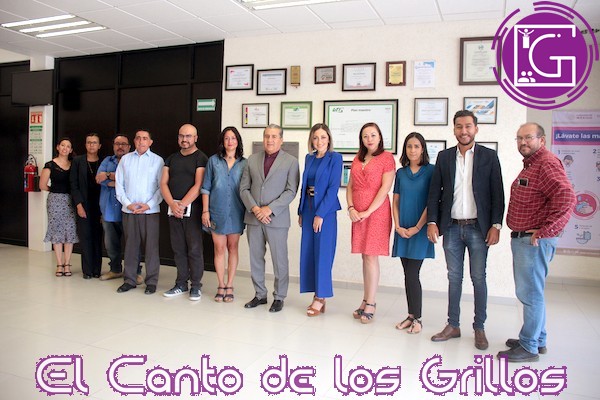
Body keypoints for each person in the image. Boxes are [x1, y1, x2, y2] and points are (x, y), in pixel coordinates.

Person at [427, 110, 505, 350]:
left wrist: (496, 225)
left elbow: (498, 194)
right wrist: (432, 221)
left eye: (468, 126)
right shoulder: (444, 157)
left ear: (476, 129)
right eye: (459, 126)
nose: (464, 131)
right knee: (454, 278)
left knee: (478, 278)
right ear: (454, 130)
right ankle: (453, 325)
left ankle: (479, 327)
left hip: (479, 229)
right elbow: (435, 192)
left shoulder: (489, 156)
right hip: (451, 227)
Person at [498, 123, 575, 362]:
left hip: (532, 242)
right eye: (519, 138)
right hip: (526, 241)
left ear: (541, 140)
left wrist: (544, 232)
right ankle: (537, 339)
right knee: (533, 291)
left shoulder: (546, 163)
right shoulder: (533, 164)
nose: (523, 142)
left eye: (528, 137)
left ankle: (529, 346)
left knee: (530, 294)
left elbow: (567, 198)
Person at [240, 124, 300, 313]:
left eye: (274, 136)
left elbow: (291, 191)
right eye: (267, 136)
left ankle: (279, 296)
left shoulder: (291, 161)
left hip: (277, 219)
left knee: (279, 260)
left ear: (281, 140)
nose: (270, 140)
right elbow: (243, 188)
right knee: (255, 258)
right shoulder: (252, 159)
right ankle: (260, 294)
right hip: (253, 217)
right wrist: (255, 208)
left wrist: (269, 209)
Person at [347, 122, 395, 324]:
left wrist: (367, 211)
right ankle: (365, 299)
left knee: (371, 257)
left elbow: (385, 189)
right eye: (365, 136)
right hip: (357, 214)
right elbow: (350, 186)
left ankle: (372, 302)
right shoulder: (357, 159)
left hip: (376, 213)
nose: (369, 139)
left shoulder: (387, 158)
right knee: (364, 256)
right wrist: (351, 208)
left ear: (380, 137)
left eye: (373, 135)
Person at [298, 123, 343, 317]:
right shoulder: (309, 158)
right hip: (308, 209)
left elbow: (333, 189)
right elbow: (304, 186)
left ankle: (320, 297)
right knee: (309, 252)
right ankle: (315, 293)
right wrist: (301, 211)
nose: (319, 141)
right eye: (315, 138)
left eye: (323, 137)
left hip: (325, 212)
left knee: (323, 253)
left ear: (329, 139)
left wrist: (320, 214)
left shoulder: (335, 158)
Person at [391, 132, 434, 334]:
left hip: (420, 230)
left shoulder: (431, 171)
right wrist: (398, 226)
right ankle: (411, 316)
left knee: (412, 273)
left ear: (423, 148)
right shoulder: (401, 173)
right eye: (409, 146)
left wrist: (417, 228)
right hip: (402, 229)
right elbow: (395, 201)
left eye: (416, 146)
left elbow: (431, 202)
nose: (413, 150)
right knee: (407, 274)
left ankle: (417, 319)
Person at [160, 124, 207, 301]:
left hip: (192, 212)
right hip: (173, 210)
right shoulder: (171, 158)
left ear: (196, 138)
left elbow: (199, 185)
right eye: (181, 136)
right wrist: (172, 204)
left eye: (188, 136)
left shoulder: (201, 158)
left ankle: (196, 286)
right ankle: (181, 284)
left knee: (194, 249)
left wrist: (182, 205)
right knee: (178, 249)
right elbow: (163, 183)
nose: (184, 139)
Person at [201, 126, 247, 303]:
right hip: (216, 212)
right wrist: (205, 211)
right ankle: (220, 284)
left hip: (236, 212)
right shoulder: (213, 161)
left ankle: (230, 285)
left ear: (238, 141)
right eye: (227, 138)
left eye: (233, 138)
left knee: (233, 247)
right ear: (222, 141)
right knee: (219, 248)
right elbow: (206, 187)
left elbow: (247, 189)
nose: (230, 141)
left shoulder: (244, 163)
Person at [115, 130, 164, 295]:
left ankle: (151, 282)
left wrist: (148, 205)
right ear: (134, 141)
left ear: (150, 142)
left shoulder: (158, 161)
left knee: (151, 248)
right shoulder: (125, 160)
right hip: (129, 211)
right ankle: (129, 280)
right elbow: (119, 184)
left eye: (145, 138)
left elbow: (161, 187)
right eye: (138, 138)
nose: (141, 141)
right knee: (130, 247)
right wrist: (128, 204)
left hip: (150, 212)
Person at [96, 135, 143, 284]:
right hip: (109, 210)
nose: (120, 146)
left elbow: (132, 181)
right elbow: (99, 179)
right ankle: (115, 269)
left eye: (123, 144)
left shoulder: (133, 160)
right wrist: (118, 181)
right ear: (113, 146)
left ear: (129, 146)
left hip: (129, 210)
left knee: (133, 243)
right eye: (117, 144)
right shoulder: (107, 161)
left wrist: (109, 176)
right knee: (111, 244)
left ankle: (135, 272)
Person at [39, 137, 79, 277]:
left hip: (71, 200)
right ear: (58, 147)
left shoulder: (74, 164)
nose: (65, 148)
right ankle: (59, 264)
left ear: (71, 150)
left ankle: (67, 264)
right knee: (57, 231)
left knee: (69, 231)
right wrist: (55, 191)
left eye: (68, 146)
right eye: (62, 145)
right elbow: (42, 185)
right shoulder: (50, 165)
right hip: (55, 200)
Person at [70, 133, 103, 279]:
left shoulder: (103, 162)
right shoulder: (78, 161)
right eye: (89, 142)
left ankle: (97, 270)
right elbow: (73, 184)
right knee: (86, 237)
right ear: (85, 145)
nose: (91, 145)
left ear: (99, 145)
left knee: (97, 237)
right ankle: (87, 271)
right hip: (84, 205)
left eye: (94, 142)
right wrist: (78, 205)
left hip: (100, 205)